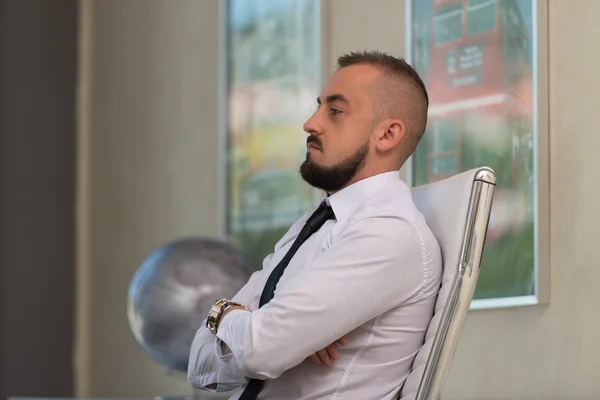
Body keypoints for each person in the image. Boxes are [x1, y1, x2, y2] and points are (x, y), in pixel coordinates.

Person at [188, 50, 442, 400]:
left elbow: (262, 350)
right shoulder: (315, 223)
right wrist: (263, 329)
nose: (310, 122)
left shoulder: (388, 232)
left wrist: (226, 315)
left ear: (387, 135)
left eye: (334, 111)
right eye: (318, 106)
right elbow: (200, 367)